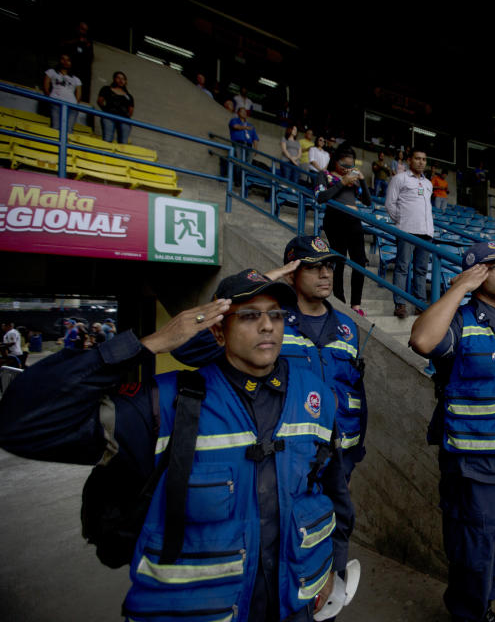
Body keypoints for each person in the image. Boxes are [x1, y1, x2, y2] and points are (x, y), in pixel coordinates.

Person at [0, 271, 353, 621]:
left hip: (296, 607)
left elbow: (333, 488)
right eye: (248, 315)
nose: (267, 326)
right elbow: (22, 424)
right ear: (217, 330)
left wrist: (332, 567)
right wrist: (148, 345)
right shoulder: (162, 405)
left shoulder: (315, 396)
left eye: (275, 315)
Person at [409, 242, 495, 622]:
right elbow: (422, 341)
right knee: (474, 546)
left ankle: (484, 605)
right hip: (474, 465)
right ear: (476, 273)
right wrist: (458, 288)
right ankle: (469, 613)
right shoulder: (462, 319)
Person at [174, 238, 370, 480]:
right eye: (312, 267)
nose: (325, 274)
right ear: (290, 275)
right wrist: (259, 285)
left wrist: (353, 454)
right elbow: (188, 349)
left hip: (339, 461)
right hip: (283, 461)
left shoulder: (348, 327)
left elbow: (355, 388)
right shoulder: (266, 322)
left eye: (329, 266)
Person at [315, 144, 372, 316]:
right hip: (335, 219)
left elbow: (367, 201)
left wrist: (361, 179)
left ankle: (356, 304)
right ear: (335, 161)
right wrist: (342, 182)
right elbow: (320, 197)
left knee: (359, 262)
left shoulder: (353, 180)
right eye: (344, 165)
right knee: (339, 260)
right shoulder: (324, 175)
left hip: (353, 221)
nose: (347, 169)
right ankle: (339, 300)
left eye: (351, 166)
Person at [386, 148, 433, 319]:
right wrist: (402, 221)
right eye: (418, 158)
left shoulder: (428, 184)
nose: (421, 162)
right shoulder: (400, 178)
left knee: (421, 270)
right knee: (402, 267)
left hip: (426, 232)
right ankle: (400, 304)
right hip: (407, 231)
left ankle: (420, 304)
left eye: (424, 159)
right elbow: (390, 204)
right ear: (409, 160)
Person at [43, 53, 82, 133]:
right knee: (55, 127)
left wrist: (75, 104)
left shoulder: (76, 79)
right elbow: (46, 85)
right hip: (56, 102)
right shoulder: (52, 72)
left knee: (69, 130)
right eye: (63, 59)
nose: (65, 62)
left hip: (71, 106)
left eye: (68, 60)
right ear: (60, 60)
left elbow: (79, 94)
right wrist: (49, 97)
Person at [97, 71, 135, 144]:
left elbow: (130, 111)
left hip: (124, 119)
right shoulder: (106, 89)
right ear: (114, 79)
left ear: (125, 81)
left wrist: (124, 115)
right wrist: (106, 111)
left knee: (123, 143)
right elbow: (100, 101)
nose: (121, 80)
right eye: (118, 78)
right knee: (107, 139)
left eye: (123, 79)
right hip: (109, 116)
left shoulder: (129, 96)